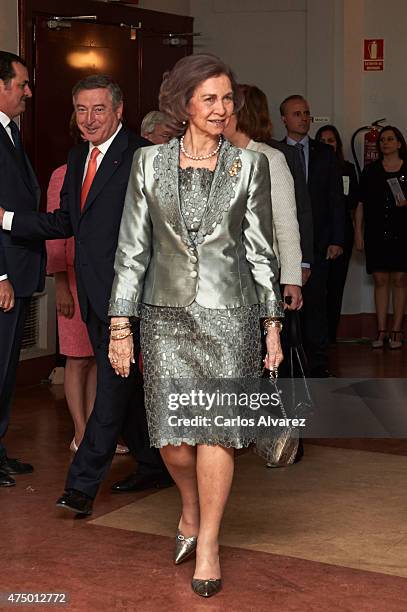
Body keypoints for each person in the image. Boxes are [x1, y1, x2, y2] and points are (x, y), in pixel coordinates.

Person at [108, 54, 284, 598]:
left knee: (217, 434)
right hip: (165, 317)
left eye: (227, 98)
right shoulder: (148, 164)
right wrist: (121, 325)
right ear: (182, 104)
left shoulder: (248, 166)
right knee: (173, 440)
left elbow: (260, 252)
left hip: (231, 316)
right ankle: (189, 505)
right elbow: (132, 251)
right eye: (209, 98)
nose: (221, 108)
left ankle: (208, 540)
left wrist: (272, 324)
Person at [0, 75, 171, 511]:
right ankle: (154, 465)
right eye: (81, 110)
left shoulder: (144, 156)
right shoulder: (78, 158)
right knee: (126, 386)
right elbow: (65, 222)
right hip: (94, 295)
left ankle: (81, 486)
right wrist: (7, 221)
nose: (90, 119)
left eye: (99, 109)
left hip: (131, 297)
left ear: (118, 112)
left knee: (113, 386)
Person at [46, 116, 128, 455]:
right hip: (74, 282)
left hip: (102, 282)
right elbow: (55, 234)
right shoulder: (62, 175)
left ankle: (96, 434)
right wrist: (62, 285)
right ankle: (80, 433)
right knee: (76, 361)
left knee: (98, 360)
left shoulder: (114, 170)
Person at [0, 51, 42, 488]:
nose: (27, 92)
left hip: (19, 270)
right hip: (4, 277)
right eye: (21, 83)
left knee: (7, 369)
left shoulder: (10, 133)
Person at [280, 94, 345, 377]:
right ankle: (284, 362)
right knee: (286, 305)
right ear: (284, 119)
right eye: (297, 114)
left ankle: (318, 365)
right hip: (283, 242)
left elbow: (335, 199)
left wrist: (337, 239)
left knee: (316, 304)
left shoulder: (324, 153)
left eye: (306, 113)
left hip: (317, 241)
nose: (304, 118)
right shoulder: (274, 151)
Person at [223, 83, 302, 308]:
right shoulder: (216, 158)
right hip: (219, 274)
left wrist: (291, 280)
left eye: (227, 106)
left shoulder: (270, 159)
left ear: (242, 114)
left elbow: (286, 224)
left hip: (258, 274)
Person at [355, 125, 407, 349]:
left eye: (390, 139)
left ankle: (396, 331)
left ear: (399, 143)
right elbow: (360, 203)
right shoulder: (371, 170)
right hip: (376, 231)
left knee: (400, 280)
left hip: (403, 232)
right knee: (380, 280)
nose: (385, 142)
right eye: (382, 140)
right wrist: (358, 231)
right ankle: (381, 330)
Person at [315, 124, 359, 343]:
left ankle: (330, 336)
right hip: (318, 236)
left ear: (337, 144)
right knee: (317, 289)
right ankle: (315, 337)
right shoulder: (312, 167)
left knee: (335, 287)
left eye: (331, 141)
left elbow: (353, 203)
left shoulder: (347, 169)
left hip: (342, 233)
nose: (327, 145)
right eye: (322, 141)